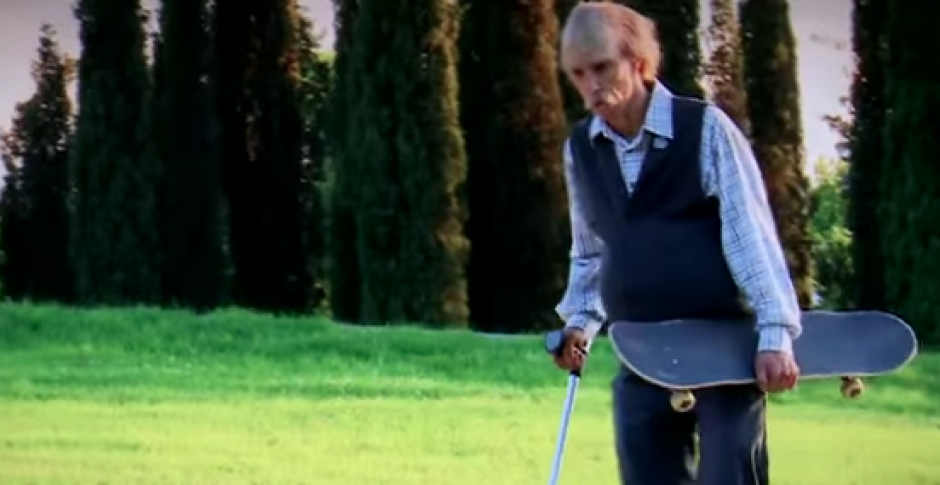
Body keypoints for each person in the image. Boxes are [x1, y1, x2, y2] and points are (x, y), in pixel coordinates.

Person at [550, 3, 802, 485]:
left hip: (724, 347)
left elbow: (750, 234)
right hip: (641, 345)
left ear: (639, 62)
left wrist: (775, 331)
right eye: (578, 74)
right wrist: (579, 323)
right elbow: (590, 249)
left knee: (731, 474)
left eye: (602, 67)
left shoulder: (705, 129)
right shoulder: (580, 148)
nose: (591, 86)